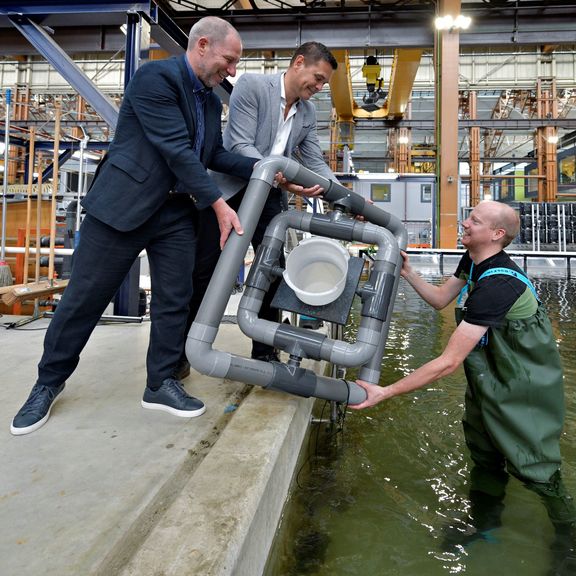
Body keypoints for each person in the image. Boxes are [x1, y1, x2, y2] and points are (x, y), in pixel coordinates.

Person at [10, 17, 259, 436]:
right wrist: (218, 203)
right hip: (122, 208)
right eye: (229, 60)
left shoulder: (212, 102)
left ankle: (159, 383)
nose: (231, 71)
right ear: (202, 45)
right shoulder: (155, 78)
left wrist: (268, 171)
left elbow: (212, 155)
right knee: (84, 300)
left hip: (176, 212)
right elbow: (176, 150)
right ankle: (47, 383)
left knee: (175, 300)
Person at [351, 200, 576, 572]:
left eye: (474, 219)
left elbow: (448, 362)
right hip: (490, 377)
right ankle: (485, 525)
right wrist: (409, 273)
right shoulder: (472, 261)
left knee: (538, 468)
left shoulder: (499, 282)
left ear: (497, 234)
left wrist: (385, 392)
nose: (465, 222)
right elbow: (442, 299)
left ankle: (568, 540)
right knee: (485, 455)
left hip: (525, 386)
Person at [175, 41, 338, 378]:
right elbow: (239, 145)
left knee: (271, 272)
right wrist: (280, 176)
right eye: (318, 78)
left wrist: (343, 194)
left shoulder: (307, 113)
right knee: (204, 272)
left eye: (324, 84)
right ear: (298, 63)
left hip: (268, 197)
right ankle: (181, 352)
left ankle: (265, 352)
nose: (319, 88)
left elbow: (314, 161)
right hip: (230, 190)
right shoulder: (251, 86)